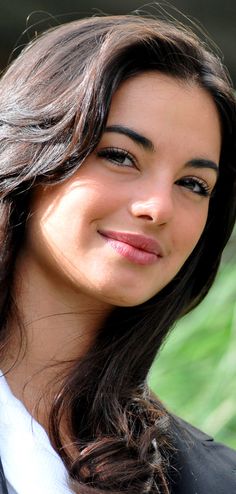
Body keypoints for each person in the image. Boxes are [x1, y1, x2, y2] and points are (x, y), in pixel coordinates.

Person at [0, 12, 235, 494]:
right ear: (29, 155)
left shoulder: (212, 480)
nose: (158, 207)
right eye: (120, 155)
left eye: (193, 184)